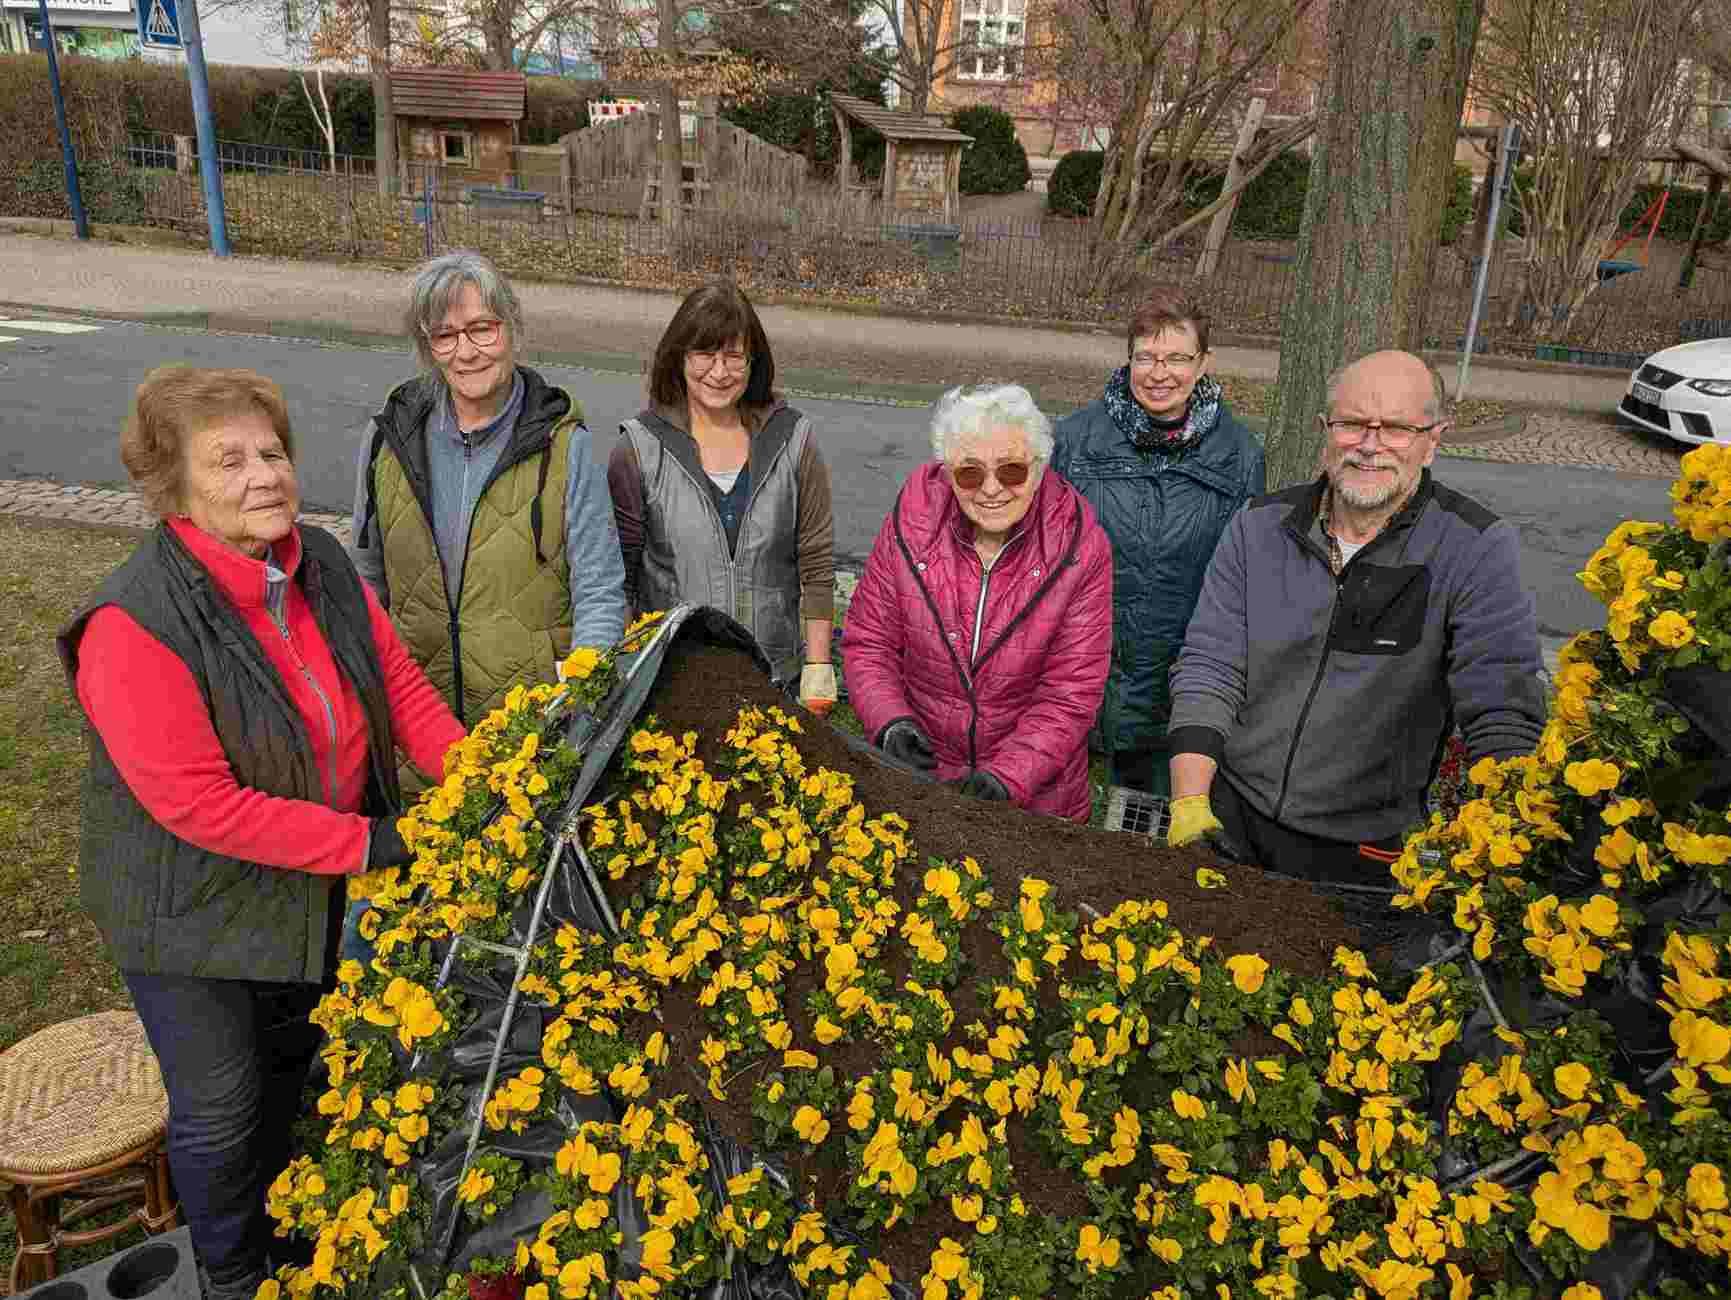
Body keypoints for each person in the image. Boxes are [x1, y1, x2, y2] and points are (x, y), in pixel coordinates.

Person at [58, 366, 465, 1300]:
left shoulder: (316, 564)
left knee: (291, 1069)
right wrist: (373, 844)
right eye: (229, 459)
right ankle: (234, 1277)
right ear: (175, 487)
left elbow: (399, 691)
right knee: (222, 1107)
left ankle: (288, 1240)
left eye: (272, 452)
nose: (264, 476)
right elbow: (200, 807)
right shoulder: (134, 624)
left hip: (295, 882)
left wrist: (488, 784)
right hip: (184, 908)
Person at [1165, 349, 1546, 882]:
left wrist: (1506, 837)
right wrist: (1189, 801)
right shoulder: (1258, 528)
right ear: (1325, 429)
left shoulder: (1474, 548)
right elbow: (1211, 663)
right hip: (1232, 813)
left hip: (1364, 849)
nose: (1369, 445)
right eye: (1351, 424)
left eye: (1395, 428)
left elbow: (1500, 703)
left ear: (1432, 440)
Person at [351, 250, 625, 728]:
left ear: (511, 328)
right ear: (427, 346)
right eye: (445, 336)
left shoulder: (564, 446)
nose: (466, 351)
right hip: (417, 725)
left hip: (529, 734)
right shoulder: (387, 439)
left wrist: (577, 710)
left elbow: (599, 594)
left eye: (482, 328)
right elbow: (365, 584)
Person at [843, 383, 1113, 822]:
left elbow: (1071, 692)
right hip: (925, 781)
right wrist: (891, 722)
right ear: (946, 471)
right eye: (969, 473)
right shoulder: (911, 525)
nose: (991, 489)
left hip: (1037, 798)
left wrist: (1007, 777)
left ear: (1040, 466)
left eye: (1011, 471)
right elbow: (869, 643)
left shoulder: (1081, 547)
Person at [1052, 288, 1264, 797]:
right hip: (1077, 673)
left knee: (1141, 844)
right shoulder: (1076, 440)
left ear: (1204, 362)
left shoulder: (1239, 456)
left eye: (1176, 358)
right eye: (1145, 357)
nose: (1159, 372)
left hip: (1172, 684)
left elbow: (1239, 579)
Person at [608, 280, 838, 711]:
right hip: (675, 684)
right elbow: (622, 578)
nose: (719, 372)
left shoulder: (792, 440)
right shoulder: (638, 448)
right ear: (679, 357)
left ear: (754, 362)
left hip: (773, 680)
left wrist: (818, 665)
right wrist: (626, 673)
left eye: (733, 356)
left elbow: (817, 562)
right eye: (704, 354)